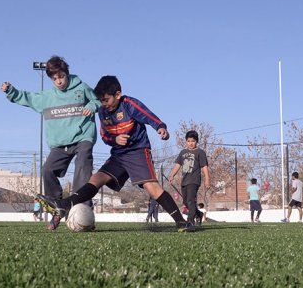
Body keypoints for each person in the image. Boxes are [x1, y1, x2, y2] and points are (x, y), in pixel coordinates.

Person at [36, 75, 189, 231]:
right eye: (101, 101)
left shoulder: (129, 104)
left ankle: (181, 221)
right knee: (97, 178)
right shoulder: (103, 111)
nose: (103, 104)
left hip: (138, 152)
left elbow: (147, 115)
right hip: (119, 155)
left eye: (106, 100)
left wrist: (160, 127)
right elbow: (105, 136)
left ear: (118, 94)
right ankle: (64, 205)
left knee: (151, 187)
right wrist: (115, 140)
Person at [1, 55, 100, 230]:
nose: (59, 81)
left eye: (61, 76)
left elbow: (97, 99)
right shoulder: (47, 97)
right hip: (60, 143)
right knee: (47, 170)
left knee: (83, 166)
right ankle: (58, 207)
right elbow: (28, 98)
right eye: (54, 79)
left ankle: (82, 208)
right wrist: (11, 91)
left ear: (67, 74)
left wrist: (92, 106)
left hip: (82, 136)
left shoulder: (81, 88)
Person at [169, 130, 210, 229]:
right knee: (186, 202)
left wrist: (207, 179)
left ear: (196, 141)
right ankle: (199, 214)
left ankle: (190, 222)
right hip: (185, 181)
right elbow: (178, 165)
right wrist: (172, 175)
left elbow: (204, 166)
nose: (190, 143)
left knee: (191, 201)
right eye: (188, 141)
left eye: (193, 141)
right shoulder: (183, 152)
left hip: (194, 180)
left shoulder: (200, 152)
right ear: (186, 141)